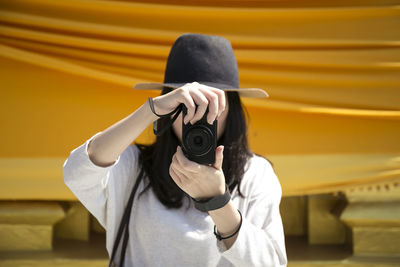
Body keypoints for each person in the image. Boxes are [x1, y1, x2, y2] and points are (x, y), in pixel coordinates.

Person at [63, 33, 287, 267]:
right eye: (188, 104)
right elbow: (76, 174)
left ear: (232, 110)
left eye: (213, 105)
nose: (200, 115)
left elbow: (272, 264)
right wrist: (150, 111)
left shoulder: (255, 174)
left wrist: (218, 204)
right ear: (169, 105)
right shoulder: (132, 165)